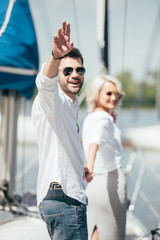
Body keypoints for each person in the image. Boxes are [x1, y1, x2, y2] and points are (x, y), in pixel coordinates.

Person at [32, 21, 92, 240]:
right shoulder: (53, 101)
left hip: (58, 195)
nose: (74, 74)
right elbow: (44, 84)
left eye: (79, 69)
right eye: (67, 70)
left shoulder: (70, 104)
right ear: (58, 74)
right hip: (65, 198)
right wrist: (55, 56)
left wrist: (79, 165)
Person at [82, 75, 127, 240]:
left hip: (93, 187)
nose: (114, 98)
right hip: (111, 183)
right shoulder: (104, 119)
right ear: (97, 94)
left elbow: (99, 141)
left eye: (117, 94)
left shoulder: (90, 117)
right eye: (108, 93)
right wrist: (90, 166)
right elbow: (95, 141)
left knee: (95, 233)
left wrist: (112, 125)